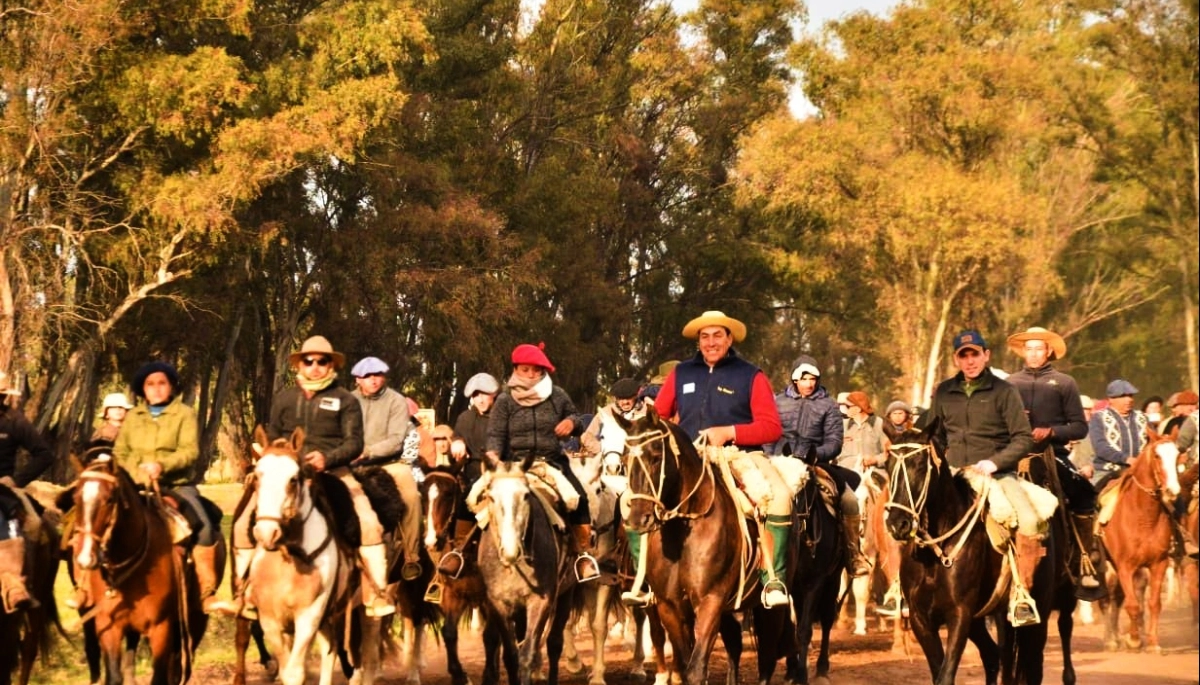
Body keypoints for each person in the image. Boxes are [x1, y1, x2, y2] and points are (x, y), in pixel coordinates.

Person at [231, 336, 394, 618]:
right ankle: (243, 593)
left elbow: (354, 442)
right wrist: (277, 456)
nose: (315, 366)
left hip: (333, 471)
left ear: (331, 364)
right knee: (243, 522)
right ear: (300, 364)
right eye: (309, 361)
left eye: (322, 361)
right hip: (286, 474)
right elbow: (274, 436)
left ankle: (376, 594)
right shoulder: (284, 399)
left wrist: (326, 459)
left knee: (369, 523)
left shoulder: (345, 400)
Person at [652, 311, 792, 608]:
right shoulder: (682, 373)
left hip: (739, 455)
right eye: (705, 336)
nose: (711, 342)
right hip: (688, 457)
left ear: (730, 339)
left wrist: (730, 431)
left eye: (718, 335)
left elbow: (771, 427)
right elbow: (658, 417)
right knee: (633, 497)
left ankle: (773, 578)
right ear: (698, 341)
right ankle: (645, 580)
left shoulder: (750, 374)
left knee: (779, 498)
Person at [917, 330, 1040, 625]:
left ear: (986, 355)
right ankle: (903, 589)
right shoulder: (945, 392)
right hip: (954, 473)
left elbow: (1023, 438)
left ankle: (1022, 595)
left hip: (995, 473)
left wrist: (994, 462)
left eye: (975, 354)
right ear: (957, 359)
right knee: (909, 512)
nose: (970, 360)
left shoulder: (1004, 391)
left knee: (1029, 520)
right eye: (964, 355)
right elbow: (934, 434)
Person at [112, 361, 224, 612]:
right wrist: (137, 472)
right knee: (100, 520)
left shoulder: (184, 414)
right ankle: (91, 587)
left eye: (162, 383)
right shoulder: (132, 417)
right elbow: (120, 452)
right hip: (135, 485)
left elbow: (190, 452)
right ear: (142, 389)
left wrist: (161, 466)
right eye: (150, 384)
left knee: (204, 525)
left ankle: (207, 591)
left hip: (176, 485)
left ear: (172, 387)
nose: (156, 389)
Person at [486, 343, 599, 582]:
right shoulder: (504, 400)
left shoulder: (557, 395)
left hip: (551, 462)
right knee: (472, 497)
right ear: (515, 369)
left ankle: (583, 555)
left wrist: (571, 423)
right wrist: (494, 455)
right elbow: (495, 434)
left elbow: (576, 417)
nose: (529, 375)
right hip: (513, 467)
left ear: (542, 372)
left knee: (579, 498)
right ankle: (460, 551)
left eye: (534, 370)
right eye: (524, 369)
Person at [1005, 326, 1102, 597]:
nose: (1034, 354)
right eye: (1029, 349)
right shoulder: (1010, 383)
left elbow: (1079, 427)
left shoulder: (1065, 382)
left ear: (1048, 351)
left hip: (1053, 455)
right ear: (1023, 352)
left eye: (1039, 348)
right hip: (1013, 456)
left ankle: (1084, 562)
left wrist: (1051, 431)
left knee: (1084, 493)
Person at [767, 357, 869, 577]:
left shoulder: (829, 404)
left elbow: (834, 441)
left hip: (816, 463)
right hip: (780, 464)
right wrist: (774, 457)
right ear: (795, 379)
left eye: (813, 378)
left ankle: (854, 554)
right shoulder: (776, 402)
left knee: (850, 499)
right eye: (805, 378)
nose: (809, 383)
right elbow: (769, 434)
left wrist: (812, 455)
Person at [349, 356, 423, 582]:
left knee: (413, 496)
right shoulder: (348, 401)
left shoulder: (396, 401)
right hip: (352, 463)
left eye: (377, 375)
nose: (373, 380)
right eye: (367, 376)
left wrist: (367, 451)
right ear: (358, 379)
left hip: (390, 463)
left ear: (384, 377)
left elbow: (395, 440)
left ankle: (412, 557)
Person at [580, 378, 650, 604]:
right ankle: (586, 557)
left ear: (636, 396)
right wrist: (601, 451)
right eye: (620, 398)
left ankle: (640, 568)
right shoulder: (604, 414)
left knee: (633, 515)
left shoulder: (648, 413)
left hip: (635, 475)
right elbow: (586, 437)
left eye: (628, 398)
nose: (624, 402)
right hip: (608, 473)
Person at [0, 371, 54, 613]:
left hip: (1, 490)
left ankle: (16, 584)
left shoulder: (15, 421)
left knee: (30, 524)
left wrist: (16, 479)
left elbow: (44, 454)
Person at [438, 372, 500, 578]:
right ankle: (458, 551)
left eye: (484, 394)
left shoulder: (504, 415)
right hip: (473, 473)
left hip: (502, 474)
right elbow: (457, 438)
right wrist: (456, 442)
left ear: (494, 394)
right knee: (463, 502)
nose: (480, 399)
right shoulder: (465, 418)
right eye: (475, 395)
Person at [1088, 379, 1148, 490]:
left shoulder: (1142, 417)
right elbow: (1100, 447)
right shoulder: (1099, 418)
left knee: (1173, 500)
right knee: (1093, 500)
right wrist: (1126, 459)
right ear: (1111, 399)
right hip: (1107, 471)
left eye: (1130, 395)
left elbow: (1153, 442)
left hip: (1140, 471)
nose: (1129, 400)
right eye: (1123, 396)